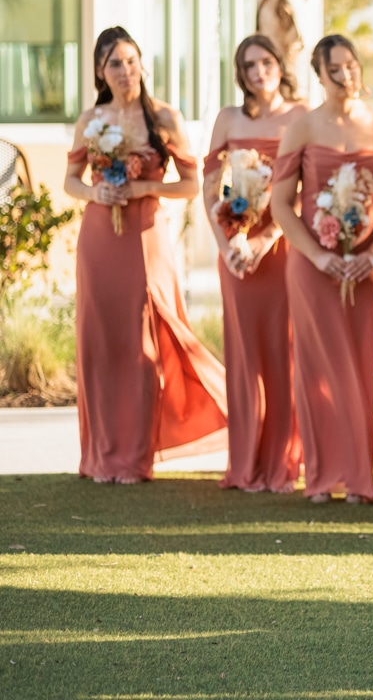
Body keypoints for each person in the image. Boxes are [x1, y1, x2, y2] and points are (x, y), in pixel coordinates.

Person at [65, 26, 228, 484]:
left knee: (142, 344)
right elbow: (70, 181)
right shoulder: (91, 119)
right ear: (100, 71)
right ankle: (100, 456)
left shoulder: (164, 117)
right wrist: (97, 194)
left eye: (131, 60)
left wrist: (144, 188)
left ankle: (136, 458)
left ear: (142, 64)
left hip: (146, 235)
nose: (125, 70)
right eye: (114, 63)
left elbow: (191, 185)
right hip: (100, 239)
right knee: (100, 342)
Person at [270, 34, 373, 504]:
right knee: (316, 368)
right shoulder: (302, 129)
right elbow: (281, 204)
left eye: (351, 66)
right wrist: (319, 255)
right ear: (319, 75)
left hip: (369, 266)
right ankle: (321, 476)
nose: (346, 75)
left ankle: (360, 478)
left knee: (364, 368)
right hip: (314, 266)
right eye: (335, 69)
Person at [203, 34, 307, 493]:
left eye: (266, 62)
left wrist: (265, 238)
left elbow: (304, 191)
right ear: (240, 73)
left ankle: (282, 463)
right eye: (249, 65)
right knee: (243, 355)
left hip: (283, 248)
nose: (259, 72)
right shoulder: (228, 119)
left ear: (280, 66)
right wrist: (227, 245)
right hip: (236, 250)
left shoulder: (301, 116)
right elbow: (210, 187)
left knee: (283, 352)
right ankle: (244, 463)